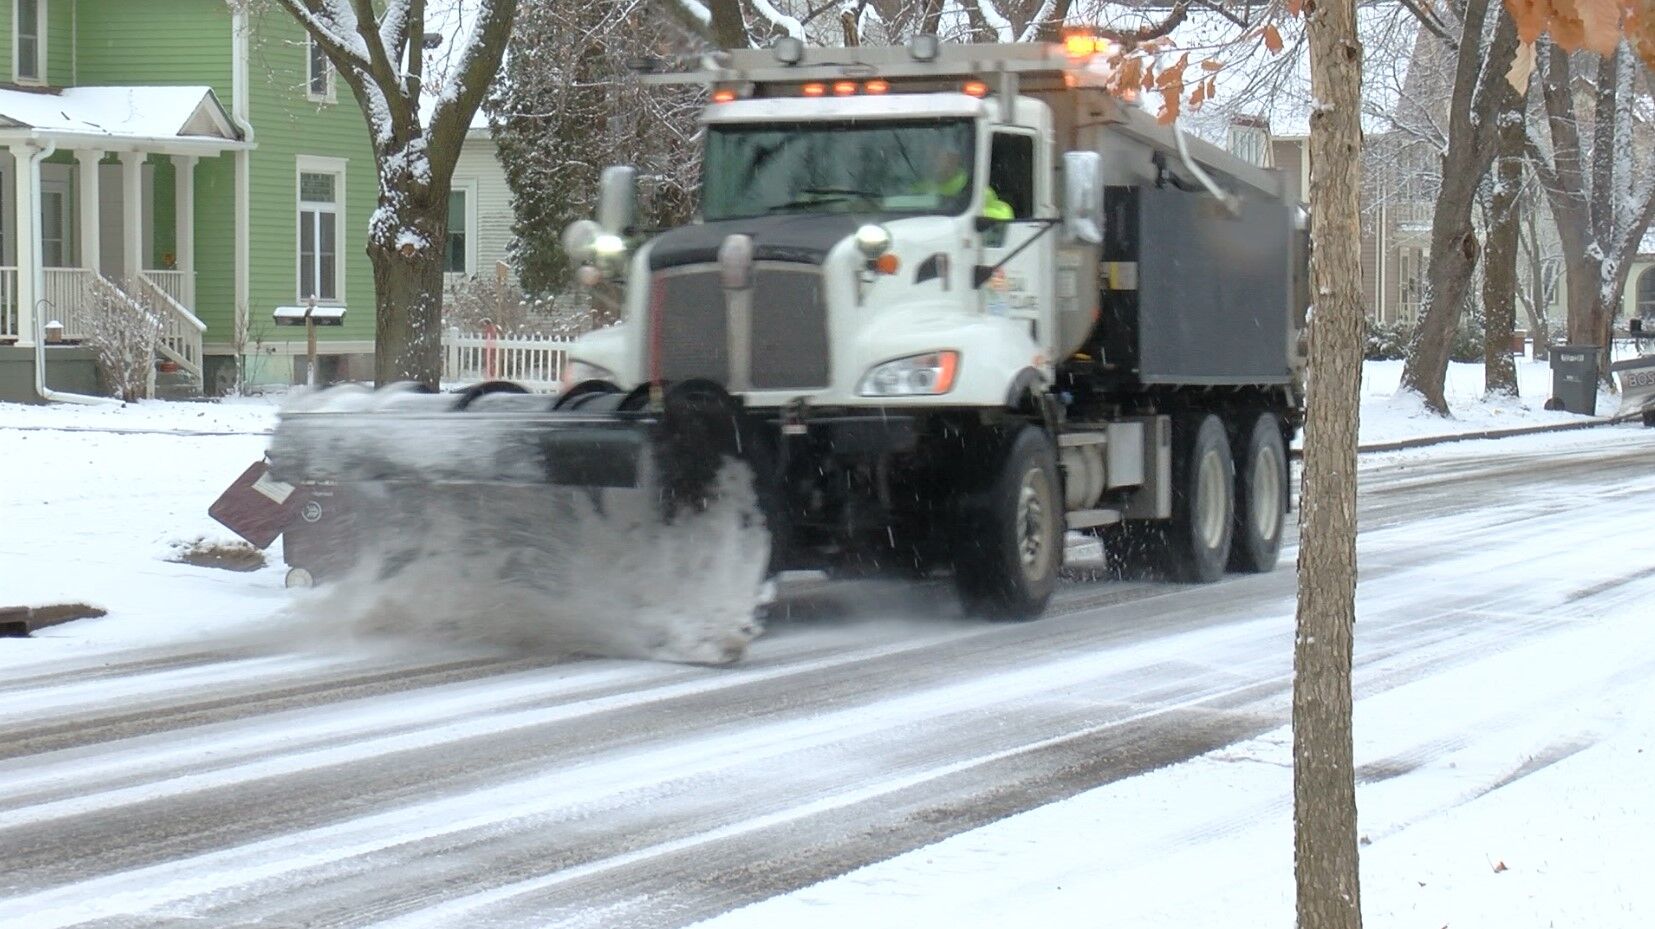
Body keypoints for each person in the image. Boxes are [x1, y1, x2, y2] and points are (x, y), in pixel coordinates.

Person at [917, 149, 1014, 220]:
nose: (930, 160)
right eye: (926, 154)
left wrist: (977, 217)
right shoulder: (919, 188)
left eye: (936, 154)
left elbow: (1005, 214)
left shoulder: (978, 190)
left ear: (954, 159)